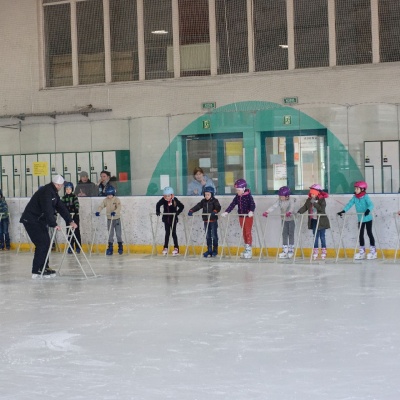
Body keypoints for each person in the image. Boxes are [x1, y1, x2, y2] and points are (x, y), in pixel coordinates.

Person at [20, 174, 78, 278]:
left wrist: (70, 221)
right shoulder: (46, 192)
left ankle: (44, 267)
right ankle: (37, 270)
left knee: (46, 242)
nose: (62, 187)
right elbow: (47, 209)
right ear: (57, 184)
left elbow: (60, 207)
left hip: (39, 221)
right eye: (61, 185)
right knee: (42, 243)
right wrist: (53, 224)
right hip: (31, 220)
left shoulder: (53, 192)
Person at [337, 181, 376, 260]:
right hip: (360, 219)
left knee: (369, 233)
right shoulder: (355, 197)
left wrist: (368, 210)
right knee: (360, 234)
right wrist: (343, 211)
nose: (356, 189)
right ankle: (362, 251)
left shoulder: (366, 196)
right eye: (355, 188)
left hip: (368, 218)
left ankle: (373, 251)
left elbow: (371, 204)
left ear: (362, 189)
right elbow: (349, 204)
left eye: (357, 188)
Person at [221, 178, 256, 259]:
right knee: (244, 232)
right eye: (236, 190)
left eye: (238, 190)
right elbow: (232, 204)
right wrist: (227, 212)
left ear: (243, 189)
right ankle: (246, 247)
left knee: (248, 232)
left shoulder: (248, 196)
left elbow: (252, 204)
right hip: (241, 216)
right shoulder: (237, 196)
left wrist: (251, 211)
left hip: (248, 217)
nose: (237, 192)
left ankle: (249, 249)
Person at [297, 184, 330, 260]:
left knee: (322, 236)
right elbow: (305, 207)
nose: (312, 195)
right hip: (314, 221)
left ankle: (324, 250)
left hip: (321, 221)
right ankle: (315, 250)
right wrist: (299, 212)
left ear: (318, 193)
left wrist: (314, 203)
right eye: (311, 193)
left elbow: (321, 209)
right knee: (315, 236)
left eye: (314, 193)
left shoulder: (322, 200)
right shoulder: (309, 200)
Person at [262, 186, 296, 259]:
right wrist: (267, 211)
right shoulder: (280, 200)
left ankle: (291, 250)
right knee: (284, 234)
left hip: (291, 219)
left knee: (291, 234)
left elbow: (292, 207)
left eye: (282, 196)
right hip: (284, 219)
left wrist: (289, 212)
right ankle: (285, 250)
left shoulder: (291, 200)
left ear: (287, 196)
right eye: (280, 196)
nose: (281, 198)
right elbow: (274, 206)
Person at [188, 186, 221, 257]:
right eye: (205, 194)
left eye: (208, 194)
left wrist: (215, 211)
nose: (206, 196)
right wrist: (192, 210)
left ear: (212, 194)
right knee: (208, 236)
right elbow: (198, 206)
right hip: (206, 221)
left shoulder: (215, 201)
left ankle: (215, 250)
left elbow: (218, 207)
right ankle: (209, 250)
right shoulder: (203, 201)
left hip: (213, 220)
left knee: (214, 236)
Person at [156, 187, 184, 256]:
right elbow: (158, 204)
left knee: (173, 233)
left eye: (169, 196)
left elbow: (182, 206)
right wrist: (158, 211)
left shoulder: (175, 200)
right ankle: (165, 247)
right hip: (166, 219)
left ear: (172, 195)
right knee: (167, 233)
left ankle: (176, 248)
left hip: (173, 219)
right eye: (166, 196)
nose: (167, 197)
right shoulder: (163, 200)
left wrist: (177, 212)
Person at [95, 186, 123, 255]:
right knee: (110, 234)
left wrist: (115, 212)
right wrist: (98, 211)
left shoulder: (116, 200)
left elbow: (119, 207)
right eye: (107, 195)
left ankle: (120, 246)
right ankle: (110, 247)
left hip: (116, 219)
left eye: (110, 195)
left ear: (113, 194)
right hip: (109, 219)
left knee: (118, 234)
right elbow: (101, 206)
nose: (109, 196)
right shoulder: (105, 200)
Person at [61, 182, 82, 254]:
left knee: (76, 231)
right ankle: (70, 246)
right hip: (68, 217)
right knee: (69, 232)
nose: (68, 190)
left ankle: (78, 246)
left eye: (69, 189)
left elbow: (77, 204)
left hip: (75, 216)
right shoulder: (63, 198)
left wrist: (76, 209)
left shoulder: (74, 197)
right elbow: (61, 206)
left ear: (72, 189)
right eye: (66, 189)